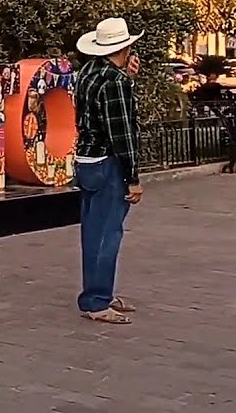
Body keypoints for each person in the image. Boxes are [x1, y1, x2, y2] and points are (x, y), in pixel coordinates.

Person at [73, 17, 143, 325]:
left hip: (86, 158)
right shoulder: (116, 82)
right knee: (107, 234)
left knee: (93, 231)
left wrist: (127, 79)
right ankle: (97, 300)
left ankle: (98, 291)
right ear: (125, 47)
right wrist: (134, 178)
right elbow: (123, 133)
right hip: (107, 161)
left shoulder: (89, 72)